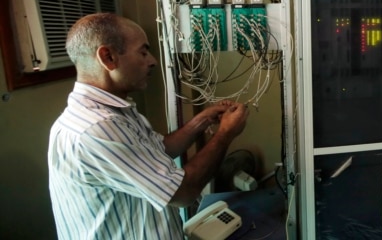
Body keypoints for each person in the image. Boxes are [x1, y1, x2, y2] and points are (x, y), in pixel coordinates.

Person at [47, 13, 249, 239]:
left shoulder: (114, 112)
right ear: (108, 57)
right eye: (143, 52)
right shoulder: (98, 128)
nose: (152, 60)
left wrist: (202, 120)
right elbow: (184, 192)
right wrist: (226, 133)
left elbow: (160, 148)